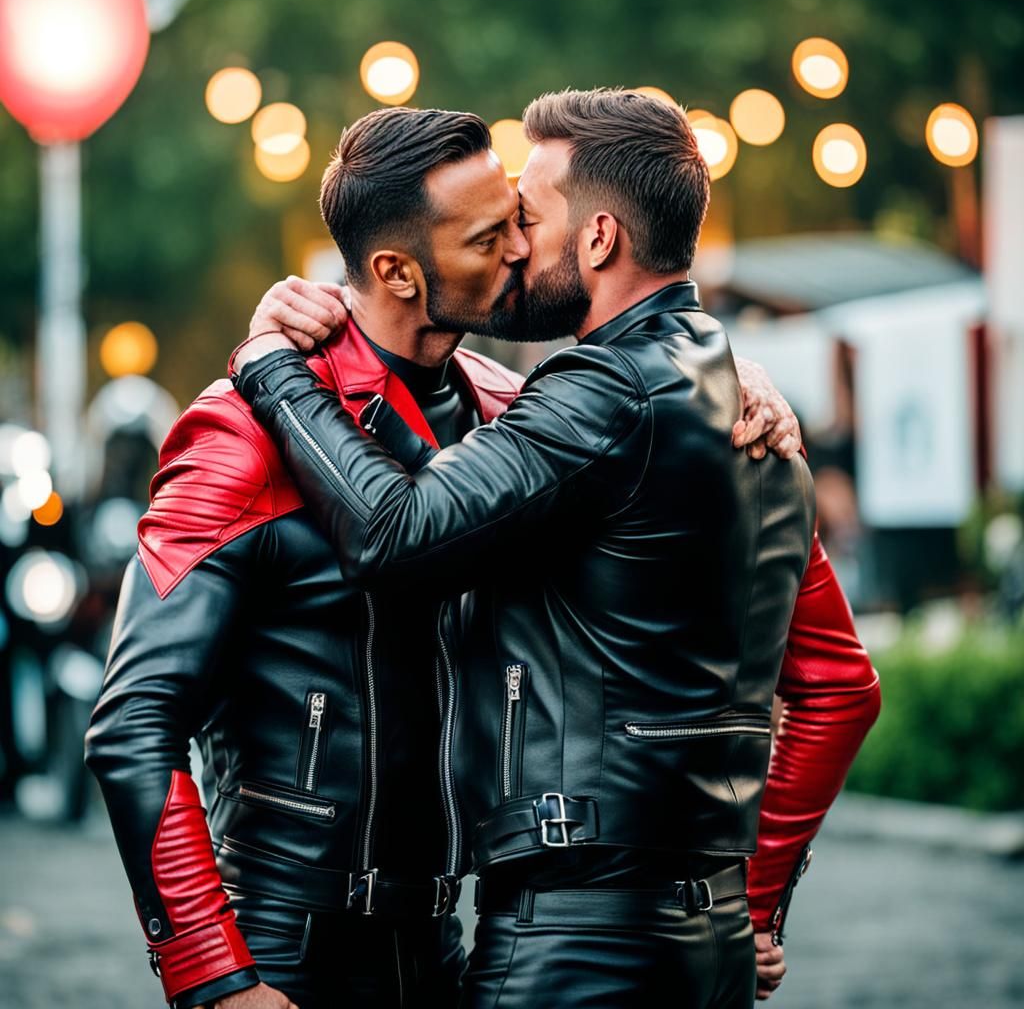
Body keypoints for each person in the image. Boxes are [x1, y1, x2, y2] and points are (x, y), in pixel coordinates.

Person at [85, 105, 811, 1009]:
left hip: (445, 948)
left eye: (519, 215)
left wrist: (724, 379)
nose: (521, 249)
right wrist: (214, 975)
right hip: (285, 950)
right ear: (397, 269)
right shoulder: (240, 431)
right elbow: (133, 727)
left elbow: (645, 391)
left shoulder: (518, 411)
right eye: (489, 236)